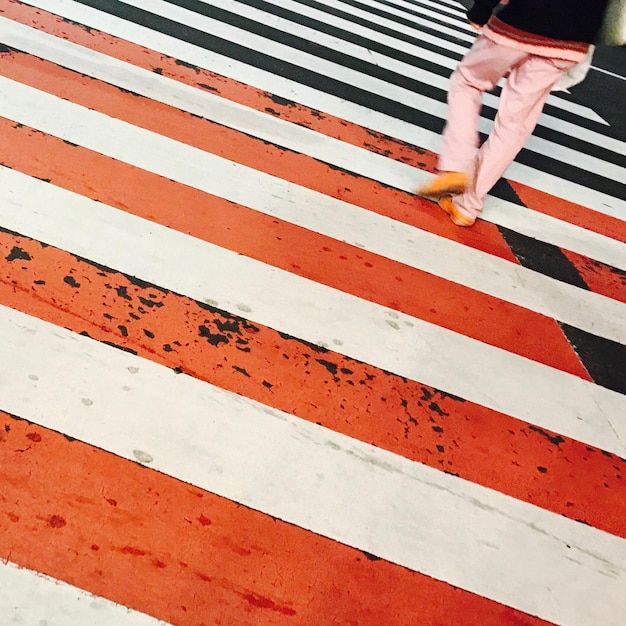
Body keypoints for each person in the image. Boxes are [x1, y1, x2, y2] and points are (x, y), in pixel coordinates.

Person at [417, 0, 610, 227]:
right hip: (573, 38)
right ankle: (467, 205)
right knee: (515, 123)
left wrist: (481, 10)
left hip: (522, 21)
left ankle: (455, 167)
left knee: (467, 82)